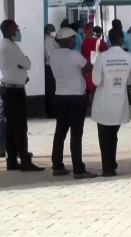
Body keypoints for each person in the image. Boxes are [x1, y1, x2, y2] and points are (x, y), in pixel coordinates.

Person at [48, 28, 97, 179]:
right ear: (67, 40)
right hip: (76, 97)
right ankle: (78, 169)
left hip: (60, 97)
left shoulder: (53, 55)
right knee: (76, 134)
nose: (75, 41)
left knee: (60, 131)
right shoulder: (74, 55)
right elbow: (88, 68)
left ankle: (57, 166)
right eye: (73, 39)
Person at [0, 20, 43, 171]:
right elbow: (27, 64)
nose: (18, 32)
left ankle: (12, 160)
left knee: (10, 126)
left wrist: (20, 66)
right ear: (9, 31)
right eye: (16, 29)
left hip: (7, 88)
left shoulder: (1, 45)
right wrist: (23, 63)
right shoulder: (11, 46)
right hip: (15, 91)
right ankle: (24, 159)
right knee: (20, 126)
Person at [92, 28, 131, 177]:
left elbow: (96, 81)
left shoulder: (101, 57)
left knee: (104, 136)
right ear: (122, 40)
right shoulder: (129, 57)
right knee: (113, 135)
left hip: (103, 103)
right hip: (120, 103)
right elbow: (129, 81)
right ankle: (112, 164)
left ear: (109, 40)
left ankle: (107, 167)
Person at [81, 23, 108, 106]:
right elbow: (105, 55)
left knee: (91, 91)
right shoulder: (101, 42)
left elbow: (82, 55)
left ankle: (92, 107)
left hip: (88, 69)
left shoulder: (85, 41)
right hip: (98, 68)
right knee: (98, 90)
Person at [44, 24, 58, 119]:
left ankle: (53, 110)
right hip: (51, 67)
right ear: (48, 31)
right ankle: (52, 111)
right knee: (51, 89)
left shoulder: (51, 40)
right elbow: (52, 56)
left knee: (52, 89)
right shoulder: (48, 42)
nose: (54, 31)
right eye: (52, 29)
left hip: (52, 66)